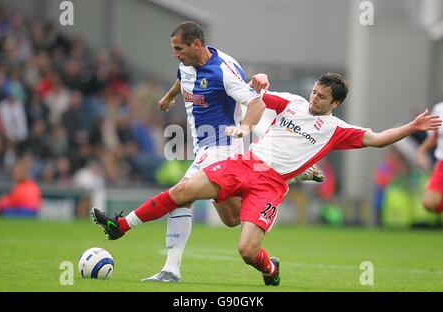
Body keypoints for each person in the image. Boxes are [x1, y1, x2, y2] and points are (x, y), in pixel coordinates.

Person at [92, 72, 441, 286]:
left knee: (246, 250)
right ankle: (120, 226)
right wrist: (258, 80)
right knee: (183, 190)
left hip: (271, 185)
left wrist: (411, 128)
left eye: (321, 97)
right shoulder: (291, 103)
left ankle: (269, 267)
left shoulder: (337, 130)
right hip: (245, 163)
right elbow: (252, 97)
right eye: (315, 91)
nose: (314, 98)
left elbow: (377, 138)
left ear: (335, 102)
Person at [137, 21, 322, 283]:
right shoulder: (187, 63)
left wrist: (246, 125)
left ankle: (171, 269)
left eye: (178, 48)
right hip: (209, 146)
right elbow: (184, 78)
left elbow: (249, 97)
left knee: (182, 196)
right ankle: (291, 177)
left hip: (227, 145)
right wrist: (170, 96)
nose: (175, 54)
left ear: (196, 44)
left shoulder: (225, 67)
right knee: (232, 218)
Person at [416, 101, 443, 213]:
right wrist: (421, 151)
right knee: (429, 203)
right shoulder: (439, 108)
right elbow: (435, 136)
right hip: (442, 162)